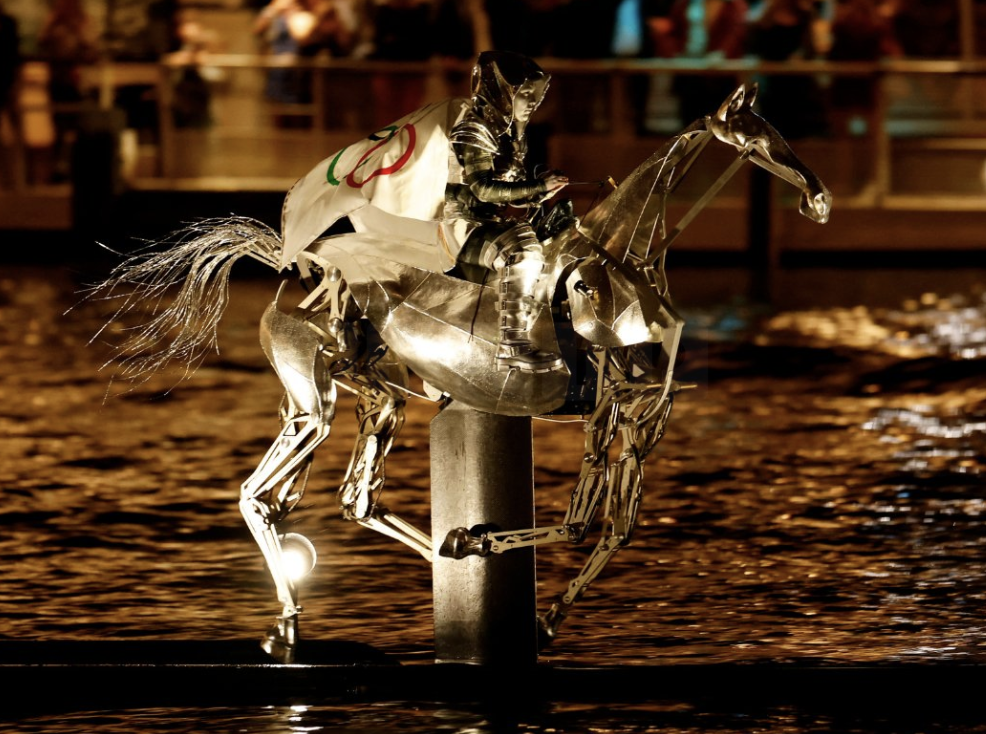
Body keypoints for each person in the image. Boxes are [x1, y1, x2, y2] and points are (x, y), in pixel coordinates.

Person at [446, 51, 571, 372]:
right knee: (524, 251)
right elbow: (483, 190)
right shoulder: (474, 130)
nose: (533, 102)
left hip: (487, 222)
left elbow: (508, 191)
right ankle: (512, 344)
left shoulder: (511, 133)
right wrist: (536, 187)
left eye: (537, 95)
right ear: (502, 91)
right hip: (460, 226)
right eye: (525, 94)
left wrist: (540, 192)